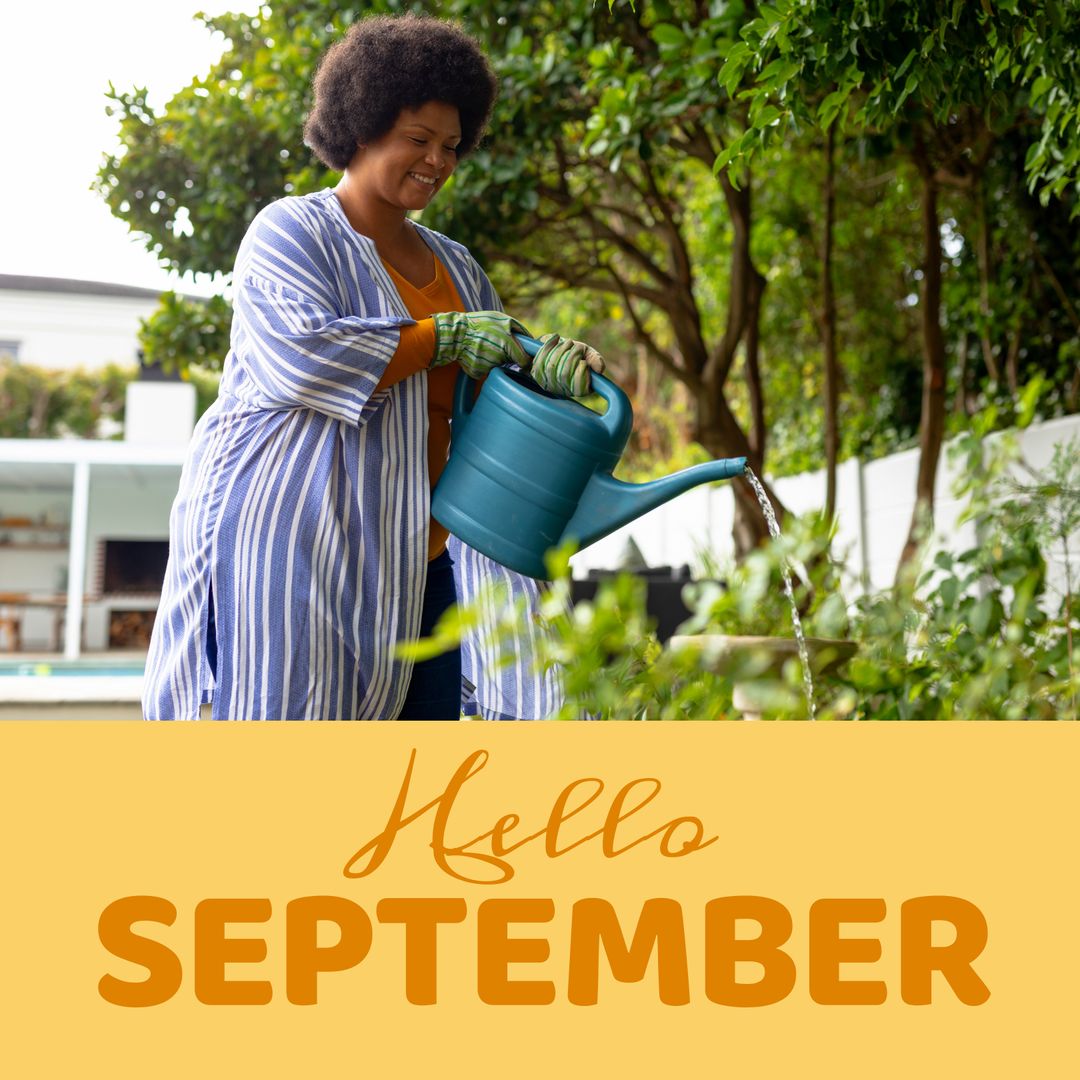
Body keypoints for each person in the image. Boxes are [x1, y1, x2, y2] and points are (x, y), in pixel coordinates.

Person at [142, 13, 604, 721]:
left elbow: (491, 396)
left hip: (419, 561)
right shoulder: (291, 232)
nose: (438, 160)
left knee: (416, 765)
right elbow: (302, 360)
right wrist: (441, 337)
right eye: (418, 139)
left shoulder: (458, 267)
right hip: (294, 545)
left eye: (451, 145)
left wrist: (545, 370)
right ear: (362, 128)